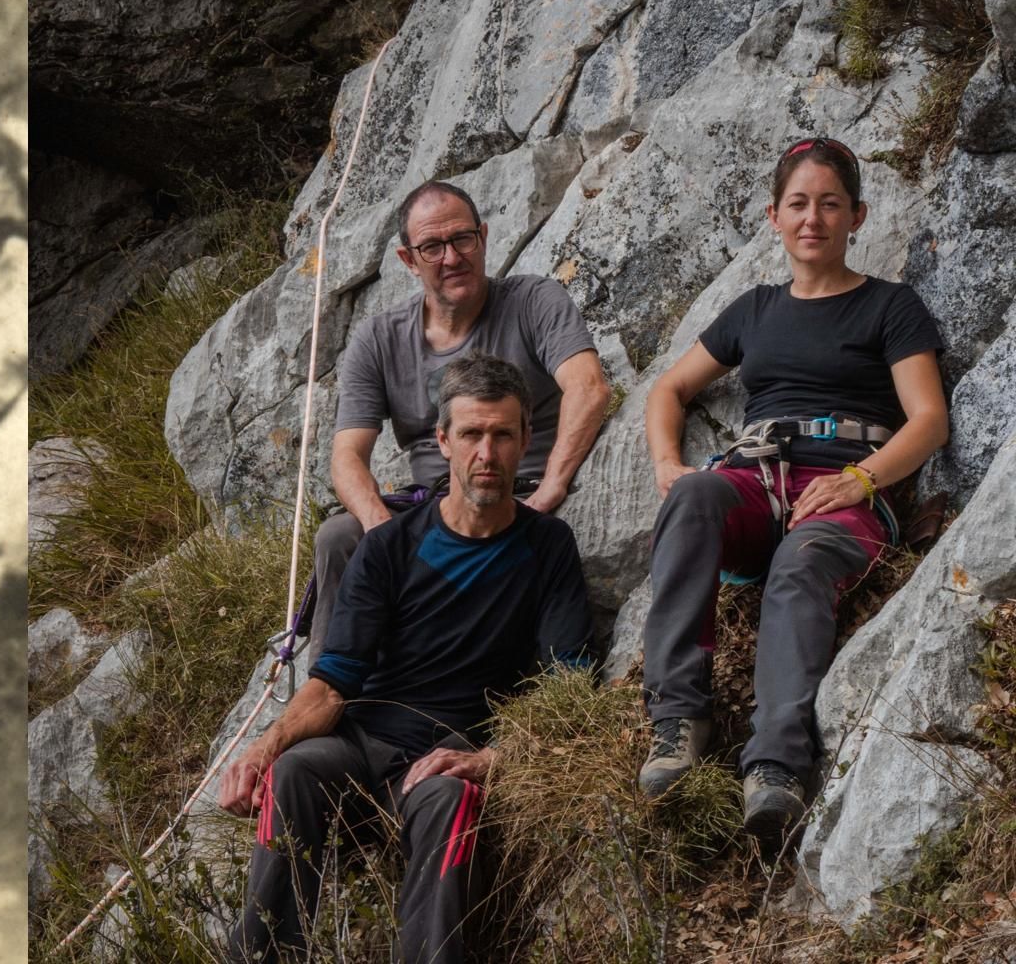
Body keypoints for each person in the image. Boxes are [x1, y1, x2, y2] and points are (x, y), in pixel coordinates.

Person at [221, 354, 593, 962]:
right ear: (443, 441)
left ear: (527, 440)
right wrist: (265, 748)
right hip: (359, 746)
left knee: (451, 798)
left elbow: (567, 685)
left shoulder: (547, 547)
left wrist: (487, 758)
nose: (487, 454)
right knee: (293, 772)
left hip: (444, 757)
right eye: (472, 434)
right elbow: (333, 683)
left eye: (503, 435)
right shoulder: (390, 546)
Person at [635, 137, 947, 846]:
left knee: (802, 563)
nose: (814, 218)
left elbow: (928, 420)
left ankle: (776, 765)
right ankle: (679, 722)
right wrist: (666, 462)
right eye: (799, 204)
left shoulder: (891, 307)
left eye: (830, 204)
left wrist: (859, 480)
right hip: (756, 476)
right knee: (692, 499)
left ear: (857, 216)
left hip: (846, 486)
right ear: (773, 216)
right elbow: (671, 389)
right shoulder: (754, 309)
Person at [311, 180, 609, 649]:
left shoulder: (534, 302)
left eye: (462, 239)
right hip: (431, 504)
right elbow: (347, 455)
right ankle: (327, 692)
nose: (452, 258)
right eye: (432, 247)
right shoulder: (378, 339)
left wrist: (552, 486)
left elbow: (589, 388)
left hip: (516, 491)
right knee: (338, 538)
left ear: (483, 237)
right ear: (408, 260)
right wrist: (380, 531)